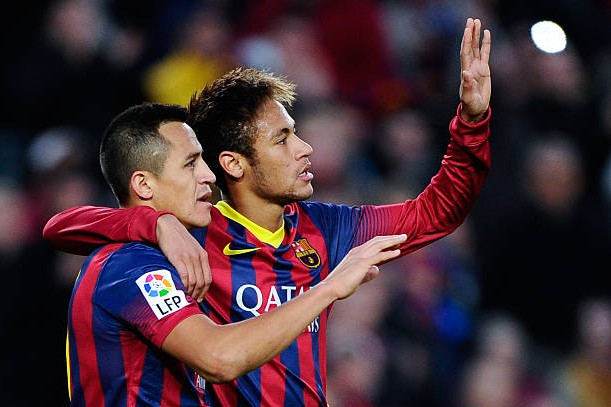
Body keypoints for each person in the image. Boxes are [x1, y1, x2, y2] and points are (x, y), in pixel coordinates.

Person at [44, 17, 492, 406]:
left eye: (294, 132)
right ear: (234, 164)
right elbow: (63, 228)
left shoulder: (329, 229)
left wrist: (471, 121)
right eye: (282, 139)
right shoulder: (194, 233)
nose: (305, 148)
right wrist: (157, 222)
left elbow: (439, 211)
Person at [58, 102, 406, 406]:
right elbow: (218, 358)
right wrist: (329, 288)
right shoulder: (132, 267)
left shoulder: (167, 252)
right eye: (191, 164)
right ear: (144, 185)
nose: (208, 175)